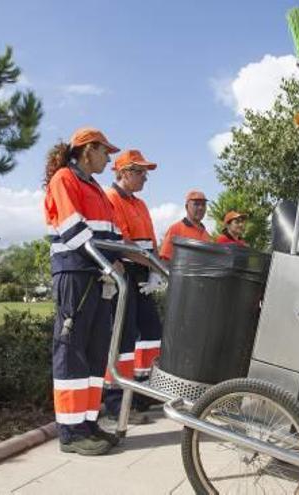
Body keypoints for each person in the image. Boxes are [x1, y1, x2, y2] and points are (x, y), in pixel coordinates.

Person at [44, 126, 123, 455]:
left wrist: (121, 259)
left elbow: (113, 235)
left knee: (94, 352)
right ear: (88, 150)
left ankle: (88, 422)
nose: (108, 158)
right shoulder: (65, 179)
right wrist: (108, 264)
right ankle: (71, 432)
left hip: (97, 276)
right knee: (71, 350)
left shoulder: (98, 190)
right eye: (105, 151)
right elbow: (72, 229)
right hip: (76, 274)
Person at [103, 149, 165, 421]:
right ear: (124, 172)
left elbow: (150, 242)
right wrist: (155, 267)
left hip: (143, 273)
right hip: (123, 272)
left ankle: (141, 393)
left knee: (152, 333)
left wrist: (155, 272)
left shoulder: (140, 205)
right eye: (141, 172)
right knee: (124, 338)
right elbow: (123, 245)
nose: (145, 178)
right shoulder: (111, 199)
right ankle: (117, 403)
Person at [159, 190, 212, 260]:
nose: (200, 208)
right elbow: (164, 259)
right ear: (186, 207)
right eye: (196, 204)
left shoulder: (206, 235)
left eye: (203, 205)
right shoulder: (175, 229)